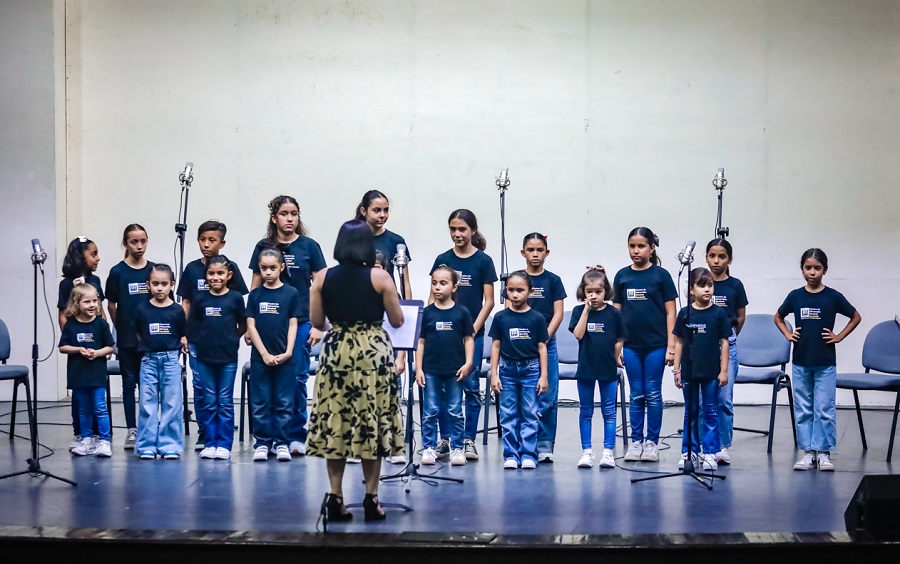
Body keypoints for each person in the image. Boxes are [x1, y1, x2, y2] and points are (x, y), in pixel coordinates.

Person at [307, 219, 404, 523]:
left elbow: (317, 322)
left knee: (336, 418)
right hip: (372, 351)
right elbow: (398, 320)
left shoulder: (322, 278)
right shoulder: (381, 278)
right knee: (370, 420)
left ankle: (336, 498)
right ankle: (371, 499)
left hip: (337, 349)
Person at [248, 196, 326, 457]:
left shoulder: (309, 246)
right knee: (266, 383)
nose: (290, 218)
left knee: (296, 380)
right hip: (268, 325)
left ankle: (293, 436)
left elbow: (321, 286)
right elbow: (255, 286)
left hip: (301, 322)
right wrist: (251, 326)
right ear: (275, 218)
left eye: (294, 213)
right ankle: (266, 439)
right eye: (284, 214)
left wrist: (318, 324)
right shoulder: (264, 246)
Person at [775, 248, 861, 472]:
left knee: (824, 408)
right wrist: (787, 334)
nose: (812, 272)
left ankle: (823, 452)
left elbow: (855, 316)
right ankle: (807, 452)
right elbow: (778, 316)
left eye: (817, 268)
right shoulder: (796, 296)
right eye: (808, 268)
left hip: (825, 362)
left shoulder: (832, 296)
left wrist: (838, 336)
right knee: (803, 408)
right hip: (801, 362)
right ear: (802, 269)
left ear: (825, 270)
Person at [429, 209, 497, 461]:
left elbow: (488, 302)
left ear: (473, 231)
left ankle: (468, 439)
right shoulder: (442, 259)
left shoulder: (483, 261)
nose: (457, 234)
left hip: (471, 336)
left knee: (470, 388)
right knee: (445, 389)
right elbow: (433, 296)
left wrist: (471, 330)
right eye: (453, 229)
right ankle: (446, 440)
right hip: (443, 336)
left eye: (462, 229)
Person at [177, 220, 249, 452]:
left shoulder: (232, 269)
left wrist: (233, 336)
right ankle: (205, 434)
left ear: (222, 243)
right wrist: (184, 334)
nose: (206, 244)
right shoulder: (191, 269)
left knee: (223, 396)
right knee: (202, 389)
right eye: (203, 239)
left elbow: (238, 310)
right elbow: (186, 302)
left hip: (224, 344)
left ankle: (222, 439)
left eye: (212, 240)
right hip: (199, 340)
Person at [613, 227, 677, 463]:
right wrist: (617, 345)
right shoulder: (622, 276)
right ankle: (636, 441)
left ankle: (652, 443)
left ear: (652, 248)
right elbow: (616, 312)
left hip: (656, 345)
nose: (636, 251)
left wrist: (671, 346)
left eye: (641, 246)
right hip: (630, 345)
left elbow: (672, 312)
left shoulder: (661, 276)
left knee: (653, 392)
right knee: (636, 393)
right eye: (632, 246)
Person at [357, 191, 410, 464]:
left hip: (388, 316)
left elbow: (404, 283)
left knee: (390, 388)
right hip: (362, 319)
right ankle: (359, 445)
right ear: (364, 210)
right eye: (376, 210)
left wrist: (406, 308)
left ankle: (391, 445)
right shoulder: (354, 236)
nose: (382, 215)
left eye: (386, 210)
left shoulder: (396, 242)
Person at [188, 256, 247, 460]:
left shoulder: (236, 298)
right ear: (205, 276)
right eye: (211, 273)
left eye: (220, 273)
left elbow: (243, 325)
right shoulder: (200, 299)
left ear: (228, 275)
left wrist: (231, 339)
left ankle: (224, 444)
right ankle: (209, 442)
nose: (216, 277)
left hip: (228, 358)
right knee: (209, 401)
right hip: (205, 358)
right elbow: (194, 326)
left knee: (225, 401)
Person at [672, 267, 731, 471]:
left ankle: (710, 452)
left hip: (711, 372)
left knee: (711, 412)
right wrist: (677, 369)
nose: (707, 289)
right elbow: (679, 342)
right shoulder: (684, 314)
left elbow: (725, 342)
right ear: (691, 289)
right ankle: (689, 451)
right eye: (702, 285)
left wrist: (723, 371)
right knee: (691, 412)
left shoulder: (718, 314)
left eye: (710, 285)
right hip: (689, 371)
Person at [246, 247, 301, 463]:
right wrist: (264, 353)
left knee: (284, 402)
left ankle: (281, 443)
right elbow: (251, 325)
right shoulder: (255, 295)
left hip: (285, 360)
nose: (268, 272)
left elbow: (293, 323)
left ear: (281, 267)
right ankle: (262, 443)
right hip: (261, 358)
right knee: (260, 401)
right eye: (263, 268)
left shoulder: (291, 293)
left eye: (272, 268)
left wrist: (288, 352)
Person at [489, 270, 549, 470]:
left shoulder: (537, 318)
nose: (514, 295)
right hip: (507, 370)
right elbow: (496, 345)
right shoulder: (500, 317)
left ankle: (529, 454)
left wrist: (544, 375)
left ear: (530, 292)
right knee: (507, 414)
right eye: (511, 290)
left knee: (530, 413)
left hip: (531, 370)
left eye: (520, 290)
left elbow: (542, 347)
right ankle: (511, 455)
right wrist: (494, 373)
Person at [415, 266, 474, 467]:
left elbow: (468, 339)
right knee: (430, 410)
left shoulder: (462, 313)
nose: (437, 287)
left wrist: (468, 363)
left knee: (455, 410)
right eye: (434, 283)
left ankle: (457, 448)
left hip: (455, 371)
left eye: (443, 283)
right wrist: (419, 368)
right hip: (431, 370)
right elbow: (420, 342)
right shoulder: (427, 313)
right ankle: (429, 447)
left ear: (454, 287)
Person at [570, 267, 625, 470]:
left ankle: (608, 452)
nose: (593, 295)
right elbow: (578, 334)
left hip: (607, 368)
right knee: (586, 411)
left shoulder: (613, 314)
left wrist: (614, 356)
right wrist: (586, 310)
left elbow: (620, 338)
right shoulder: (578, 312)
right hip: (586, 367)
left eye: (598, 292)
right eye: (589, 291)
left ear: (606, 292)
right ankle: (587, 452)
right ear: (583, 292)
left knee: (609, 411)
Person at [105, 224, 154, 450]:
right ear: (125, 244)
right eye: (134, 242)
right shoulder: (117, 272)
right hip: (127, 338)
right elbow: (112, 305)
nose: (139, 246)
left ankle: (148, 426)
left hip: (151, 339)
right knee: (129, 383)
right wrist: (122, 328)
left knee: (149, 384)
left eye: (143, 241)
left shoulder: (153, 270)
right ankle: (131, 429)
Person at [520, 233, 566, 463]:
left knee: (547, 395)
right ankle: (524, 443)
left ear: (547, 253)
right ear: (523, 253)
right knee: (524, 396)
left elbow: (558, 313)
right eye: (530, 250)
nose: (535, 254)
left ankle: (545, 444)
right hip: (521, 345)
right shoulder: (517, 280)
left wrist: (545, 337)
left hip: (547, 343)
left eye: (540, 250)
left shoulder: (553, 281)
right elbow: (510, 309)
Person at [134, 264, 187, 460]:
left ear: (172, 285)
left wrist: (182, 341)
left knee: (171, 404)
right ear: (148, 285)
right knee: (147, 403)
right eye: (155, 284)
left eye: (164, 284)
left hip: (171, 360)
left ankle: (169, 444)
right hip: (148, 360)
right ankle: (147, 445)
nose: (160, 288)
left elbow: (182, 333)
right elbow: (138, 332)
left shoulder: (177, 310)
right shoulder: (142, 309)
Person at [58, 236, 105, 452]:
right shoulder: (66, 284)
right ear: (80, 257)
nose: (97, 258)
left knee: (97, 395)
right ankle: (80, 434)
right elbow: (63, 315)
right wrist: (71, 337)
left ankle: (98, 435)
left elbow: (100, 310)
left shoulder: (95, 281)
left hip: (96, 347)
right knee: (79, 395)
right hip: (79, 348)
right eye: (93, 254)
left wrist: (104, 339)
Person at [705, 238, 748, 465]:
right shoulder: (701, 282)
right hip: (703, 343)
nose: (716, 261)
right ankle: (706, 444)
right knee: (705, 396)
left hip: (727, 343)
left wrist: (728, 338)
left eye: (722, 256)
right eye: (712, 255)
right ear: (706, 258)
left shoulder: (735, 285)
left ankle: (722, 445)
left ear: (729, 259)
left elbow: (740, 317)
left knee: (723, 397)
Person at [58, 284, 115, 458]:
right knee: (83, 409)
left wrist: (96, 353)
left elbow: (110, 347)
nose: (92, 305)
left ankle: (104, 441)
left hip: (96, 374)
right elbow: (62, 347)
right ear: (76, 303)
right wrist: (79, 350)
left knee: (100, 408)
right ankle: (86, 439)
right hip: (78, 374)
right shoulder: (71, 325)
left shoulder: (101, 325)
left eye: (94, 301)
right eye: (87, 302)